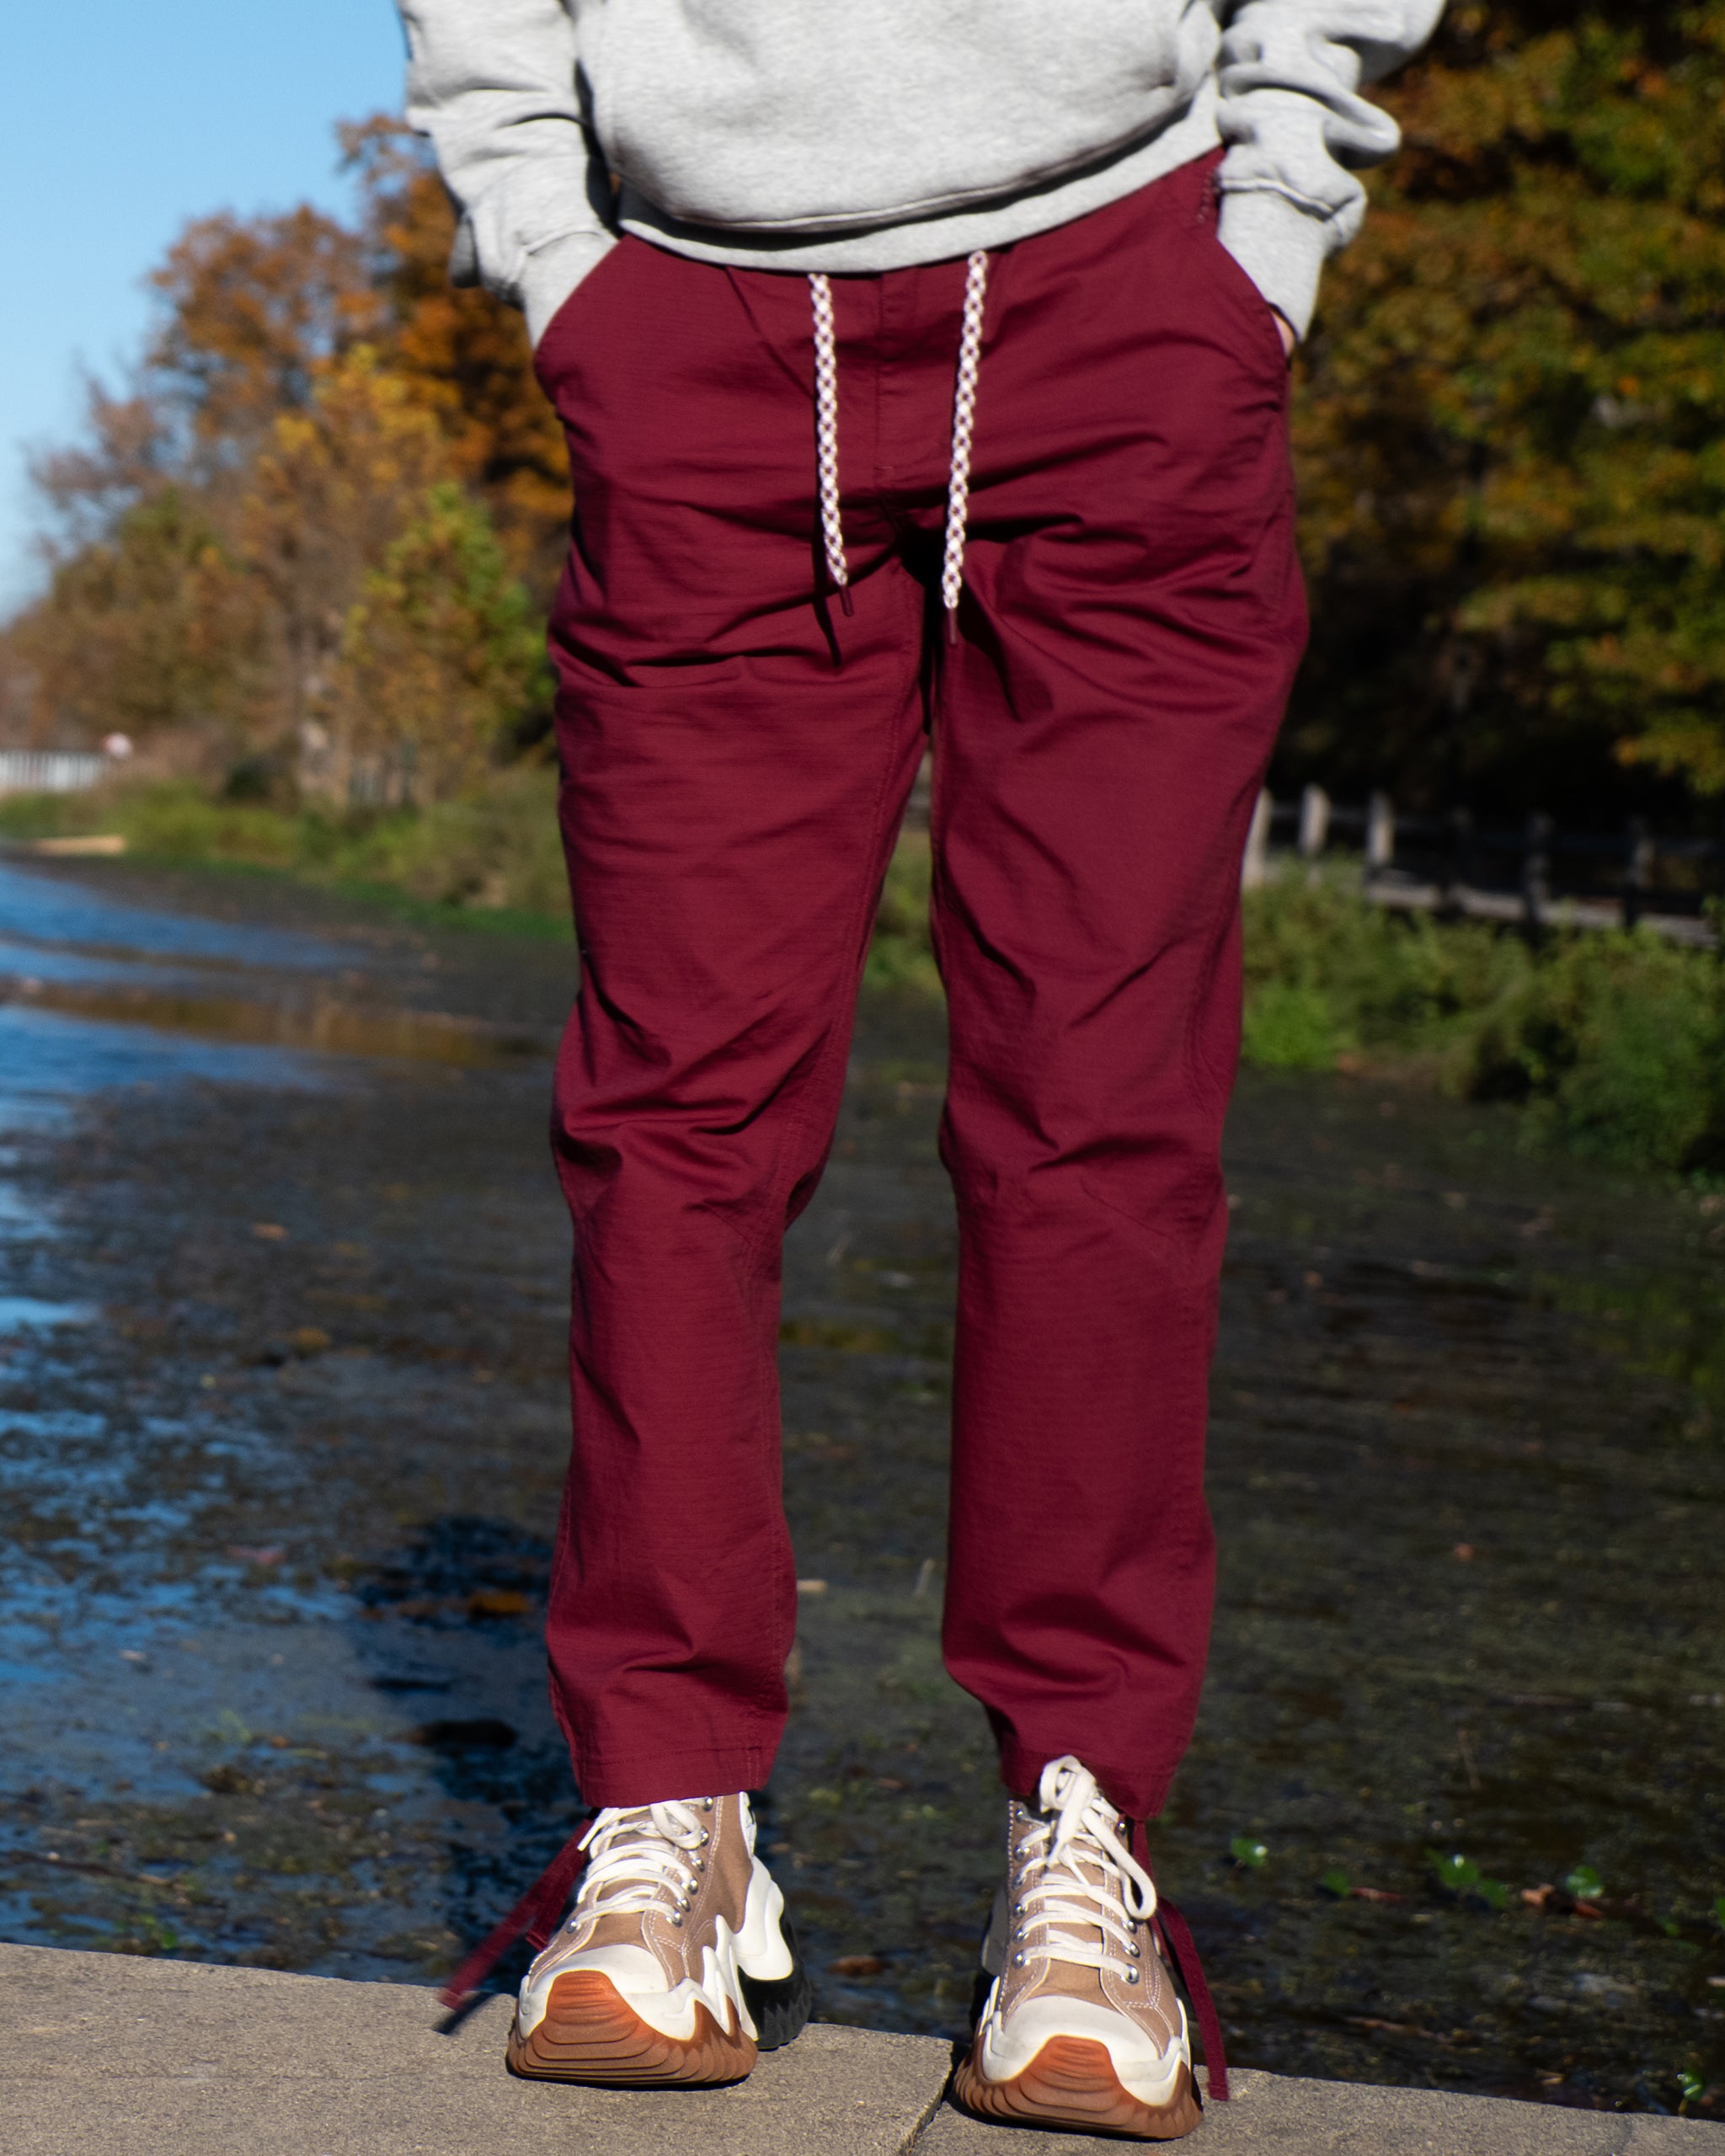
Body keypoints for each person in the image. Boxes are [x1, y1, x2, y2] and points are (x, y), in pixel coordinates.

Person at [400, 0, 1444, 2136]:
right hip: (689, 325)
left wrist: (1270, 217)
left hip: (1126, 296)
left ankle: (1079, 1832)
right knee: (672, 1117)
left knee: (1095, 1115)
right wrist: (551, 243)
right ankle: (668, 1813)